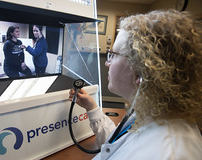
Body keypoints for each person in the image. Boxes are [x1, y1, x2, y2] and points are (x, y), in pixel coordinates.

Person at [69, 9, 202, 160]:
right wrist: (92, 108)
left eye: (113, 55)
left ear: (142, 71)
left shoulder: (168, 154)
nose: (107, 62)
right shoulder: (154, 111)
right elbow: (118, 146)